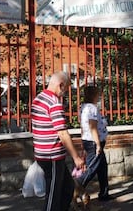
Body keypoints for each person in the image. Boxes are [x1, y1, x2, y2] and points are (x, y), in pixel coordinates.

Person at [31, 71, 85, 211]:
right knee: (53, 195)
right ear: (61, 85)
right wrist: (76, 157)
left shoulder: (38, 98)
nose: (65, 93)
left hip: (43, 152)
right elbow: (62, 132)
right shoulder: (54, 102)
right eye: (65, 89)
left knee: (68, 187)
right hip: (52, 155)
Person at [75, 85, 112, 201]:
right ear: (93, 96)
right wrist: (98, 144)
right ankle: (76, 188)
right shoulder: (92, 108)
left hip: (88, 140)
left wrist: (82, 141)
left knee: (102, 167)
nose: (99, 97)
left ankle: (104, 193)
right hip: (94, 142)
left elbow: (83, 126)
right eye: (98, 95)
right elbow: (93, 127)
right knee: (92, 167)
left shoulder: (84, 107)